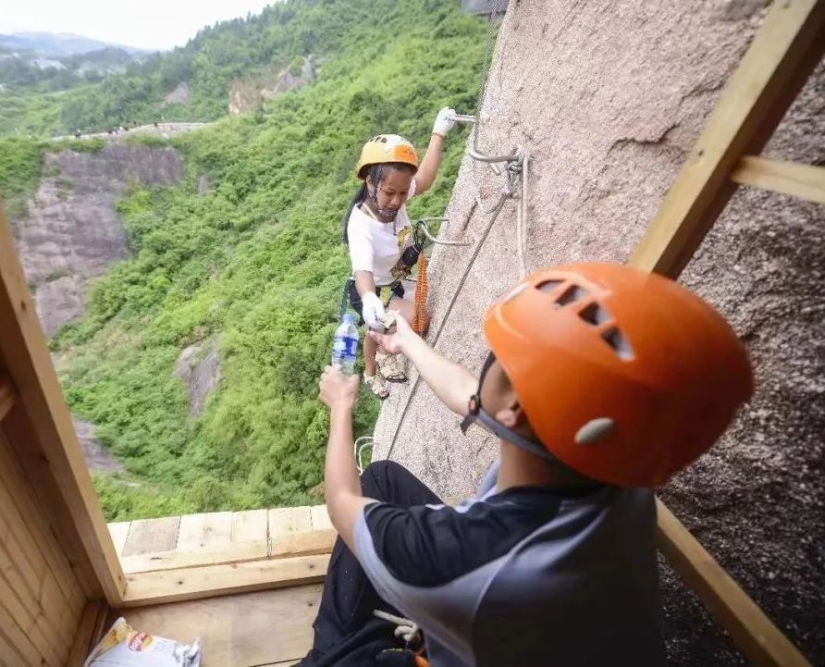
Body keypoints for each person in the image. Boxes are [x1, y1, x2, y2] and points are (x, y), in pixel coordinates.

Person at [302, 262, 754, 667]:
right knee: (381, 477)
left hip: (491, 595)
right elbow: (478, 400)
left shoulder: (453, 559)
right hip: (554, 630)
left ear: (515, 408)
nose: (487, 362)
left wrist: (342, 406)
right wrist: (410, 343)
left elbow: (343, 503)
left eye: (499, 357)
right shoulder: (618, 457)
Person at [342, 108, 458, 399]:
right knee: (414, 321)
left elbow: (427, 178)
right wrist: (369, 297)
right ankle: (373, 368)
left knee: (389, 323)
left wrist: (438, 134)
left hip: (393, 280)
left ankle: (376, 353)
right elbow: (362, 271)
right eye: (389, 192)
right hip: (374, 289)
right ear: (369, 182)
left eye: (403, 193)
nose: (396, 201)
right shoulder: (361, 225)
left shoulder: (397, 191)